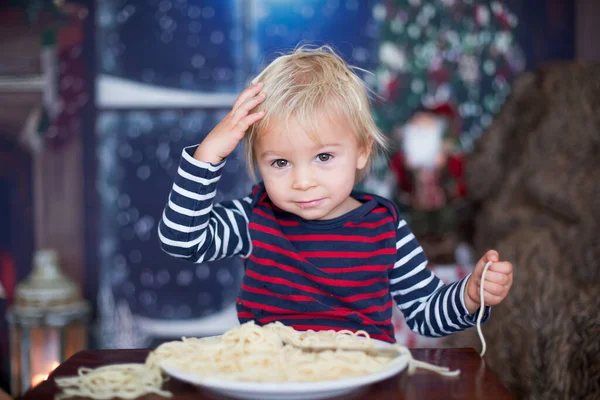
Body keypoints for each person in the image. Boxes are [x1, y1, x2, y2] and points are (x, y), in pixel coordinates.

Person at [158, 45, 513, 343]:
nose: (303, 181)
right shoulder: (253, 217)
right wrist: (208, 155)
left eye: (323, 157)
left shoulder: (384, 228)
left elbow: (425, 314)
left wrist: (468, 296)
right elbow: (181, 240)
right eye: (280, 162)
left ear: (361, 151)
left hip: (365, 382)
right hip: (270, 381)